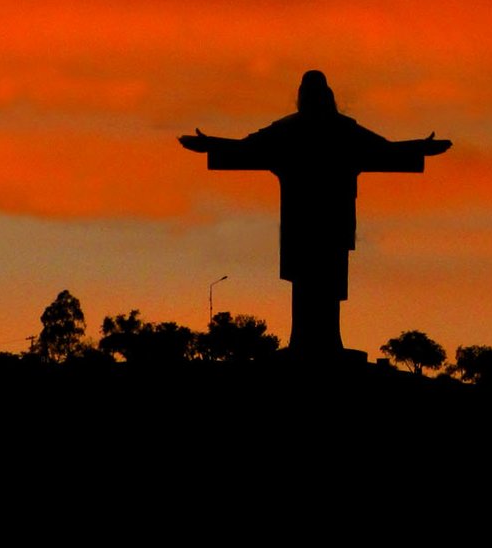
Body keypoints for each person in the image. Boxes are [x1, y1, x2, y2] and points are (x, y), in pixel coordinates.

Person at [180, 71, 450, 354]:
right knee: (312, 281)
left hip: (320, 221)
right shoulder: (320, 130)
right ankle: (310, 344)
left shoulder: (315, 130)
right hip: (315, 221)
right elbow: (247, 147)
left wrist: (419, 147)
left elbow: (384, 150)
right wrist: (212, 144)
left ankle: (323, 344)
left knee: (322, 282)